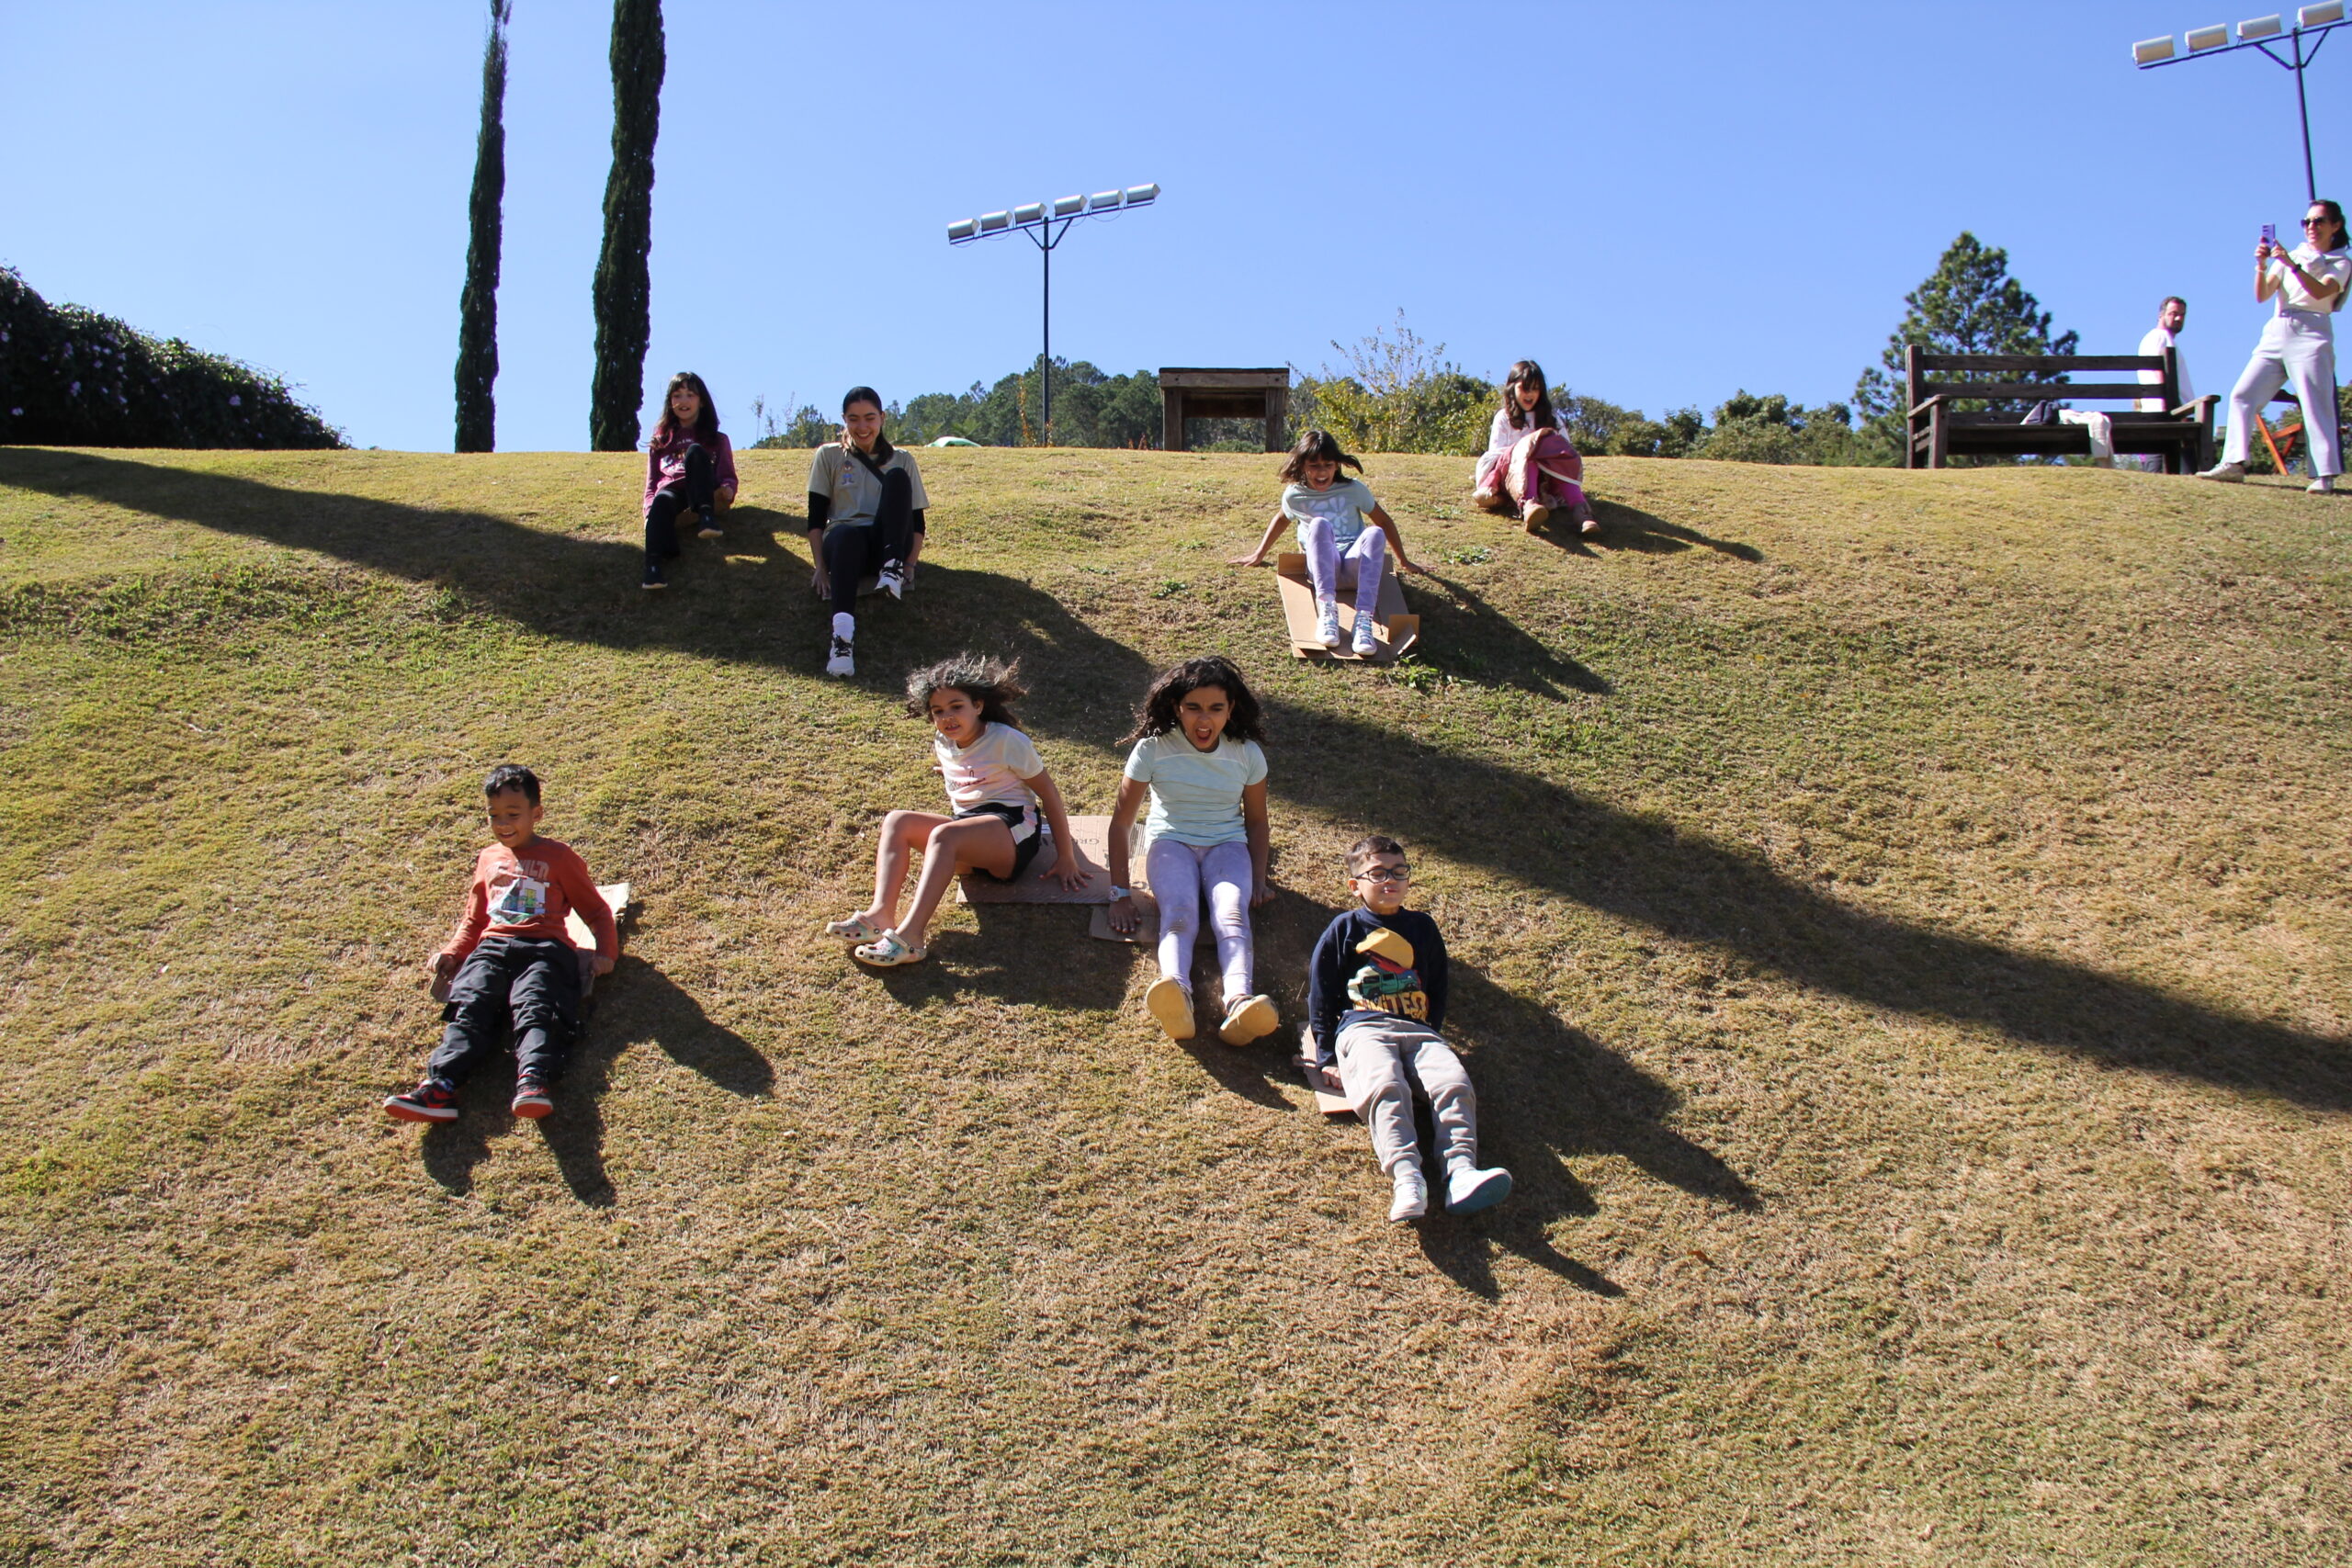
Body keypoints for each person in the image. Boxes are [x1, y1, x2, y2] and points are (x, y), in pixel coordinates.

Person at [384, 764, 617, 1124]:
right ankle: (441, 1087)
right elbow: (475, 919)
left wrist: (605, 954)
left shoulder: (560, 858)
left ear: (536, 814)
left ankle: (533, 1080)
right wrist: (453, 952)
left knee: (536, 1004)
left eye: (513, 814)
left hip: (544, 949)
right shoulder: (488, 858)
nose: (503, 823)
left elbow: (598, 912)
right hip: (491, 949)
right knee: (471, 1004)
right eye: (494, 815)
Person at [824, 655, 1092, 966]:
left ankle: (911, 938)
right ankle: (879, 915)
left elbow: (1049, 794)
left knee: (944, 835)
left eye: (956, 706)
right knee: (898, 821)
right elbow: (969, 769)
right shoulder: (943, 740)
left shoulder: (1007, 740)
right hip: (967, 829)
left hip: (1012, 830)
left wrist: (1066, 857)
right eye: (938, 711)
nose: (947, 717)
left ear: (977, 705)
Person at [1305, 835, 1512, 1222]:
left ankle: (1461, 1173)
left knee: (1454, 1083)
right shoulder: (1345, 927)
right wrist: (1327, 1056)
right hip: (1363, 1029)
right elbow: (1321, 993)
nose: (1390, 880)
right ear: (1355, 885)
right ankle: (1407, 1178)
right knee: (1386, 1085)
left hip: (1419, 1031)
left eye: (1399, 872)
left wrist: (1432, 1032)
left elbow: (1437, 986)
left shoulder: (1422, 927)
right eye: (1378, 873)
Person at [1103, 656, 1279, 1045]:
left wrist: (1258, 878)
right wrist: (1119, 894)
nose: (1204, 719)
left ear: (1231, 709)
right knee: (1179, 912)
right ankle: (1176, 991)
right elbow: (1121, 824)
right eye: (1193, 707)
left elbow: (1256, 822)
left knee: (1232, 914)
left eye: (1216, 708)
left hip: (1227, 844)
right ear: (1175, 707)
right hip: (1171, 842)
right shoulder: (1152, 749)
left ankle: (1239, 1002)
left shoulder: (1247, 753)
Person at [2199, 199, 2349, 494]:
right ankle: (2234, 462)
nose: (2311, 227)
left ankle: (2324, 474)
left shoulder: (2340, 262)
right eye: (2306, 221)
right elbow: (2263, 294)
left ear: (2336, 226)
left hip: (2311, 333)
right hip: (2277, 331)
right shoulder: (2293, 255)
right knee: (2243, 394)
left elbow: (2321, 292)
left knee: (2315, 403)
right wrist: (2261, 265)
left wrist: (2294, 266)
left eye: (2319, 221)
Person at [1229, 429, 1422, 656]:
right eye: (1314, 466)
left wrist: (1404, 560)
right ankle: (1327, 611)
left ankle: (1363, 620)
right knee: (1319, 524)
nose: (1321, 472)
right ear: (1302, 465)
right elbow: (1281, 519)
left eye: (1328, 465)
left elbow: (1383, 521)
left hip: (1355, 569)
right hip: (1323, 570)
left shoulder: (1354, 489)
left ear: (1337, 465)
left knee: (1374, 533)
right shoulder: (1295, 494)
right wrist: (1259, 553)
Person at [807, 388, 928, 675]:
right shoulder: (829, 455)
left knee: (896, 477)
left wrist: (910, 564)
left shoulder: (902, 459)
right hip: (844, 544)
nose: (863, 427)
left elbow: (917, 522)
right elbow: (815, 518)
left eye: (870, 418)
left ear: (882, 418)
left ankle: (892, 567)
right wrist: (820, 567)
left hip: (885, 541)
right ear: (844, 420)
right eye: (854, 419)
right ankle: (842, 641)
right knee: (846, 535)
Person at [1473, 359, 1596, 536]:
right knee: (1528, 453)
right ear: (1512, 388)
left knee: (1552, 450)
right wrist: (1525, 448)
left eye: (1535, 389)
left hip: (1545, 479)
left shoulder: (1551, 417)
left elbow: (1565, 452)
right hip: (1512, 477)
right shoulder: (1504, 417)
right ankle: (1529, 504)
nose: (1530, 394)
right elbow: (1495, 456)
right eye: (1524, 388)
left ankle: (1581, 512)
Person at [640, 371, 739, 591]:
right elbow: (652, 483)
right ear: (670, 402)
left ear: (701, 401)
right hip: (673, 491)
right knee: (660, 500)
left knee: (695, 451)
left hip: (702, 486)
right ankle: (653, 569)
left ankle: (706, 516)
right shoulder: (661, 441)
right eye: (677, 395)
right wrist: (648, 513)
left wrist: (728, 489)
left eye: (690, 395)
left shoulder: (717, 439)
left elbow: (727, 474)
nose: (683, 401)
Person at [2122, 298, 2193, 472]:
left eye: (2182, 315)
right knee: (2162, 464)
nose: (2178, 318)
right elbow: (2157, 372)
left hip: (2170, 411)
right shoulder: (2158, 337)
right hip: (2168, 412)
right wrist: (2175, 408)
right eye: (2173, 314)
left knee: (2162, 464)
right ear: (2161, 315)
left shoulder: (2163, 338)